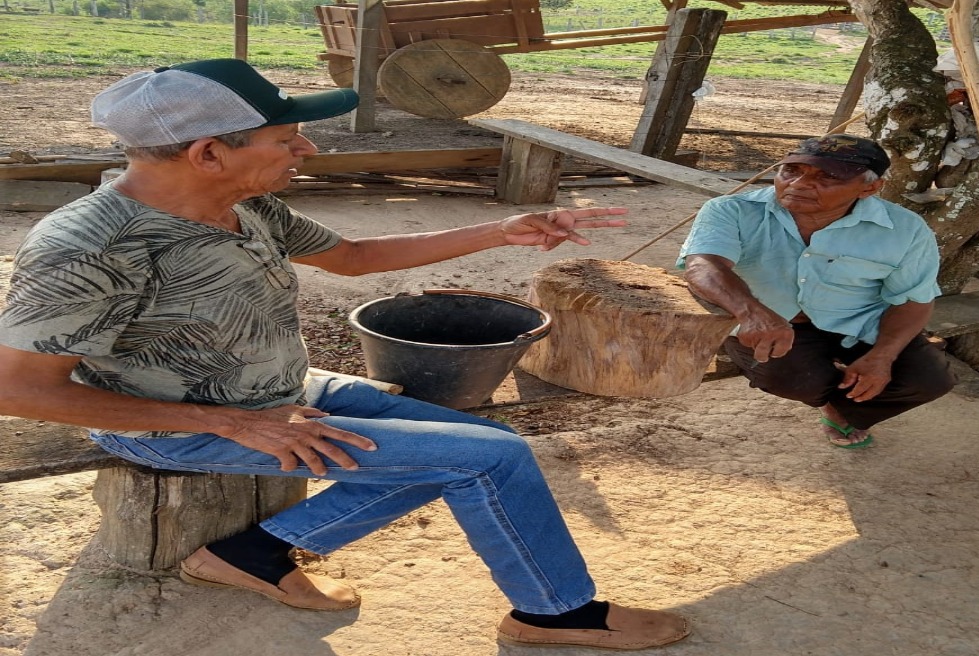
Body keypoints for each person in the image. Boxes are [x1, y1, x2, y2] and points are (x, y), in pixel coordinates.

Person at [0, 59, 689, 651]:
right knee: (491, 461)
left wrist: (503, 231)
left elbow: (355, 258)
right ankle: (553, 611)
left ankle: (255, 553)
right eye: (285, 137)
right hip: (174, 428)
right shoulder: (89, 247)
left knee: (480, 441)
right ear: (208, 152)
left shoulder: (245, 202)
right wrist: (234, 424)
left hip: (285, 391)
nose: (306, 149)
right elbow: (18, 389)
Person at [678, 134, 956, 449]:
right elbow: (703, 265)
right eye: (791, 171)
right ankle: (828, 400)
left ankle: (841, 407)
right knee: (794, 380)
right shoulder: (731, 210)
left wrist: (882, 356)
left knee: (929, 381)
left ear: (870, 188)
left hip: (860, 323)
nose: (800, 183)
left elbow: (914, 300)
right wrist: (751, 312)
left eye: (827, 177)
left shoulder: (906, 229)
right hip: (767, 321)